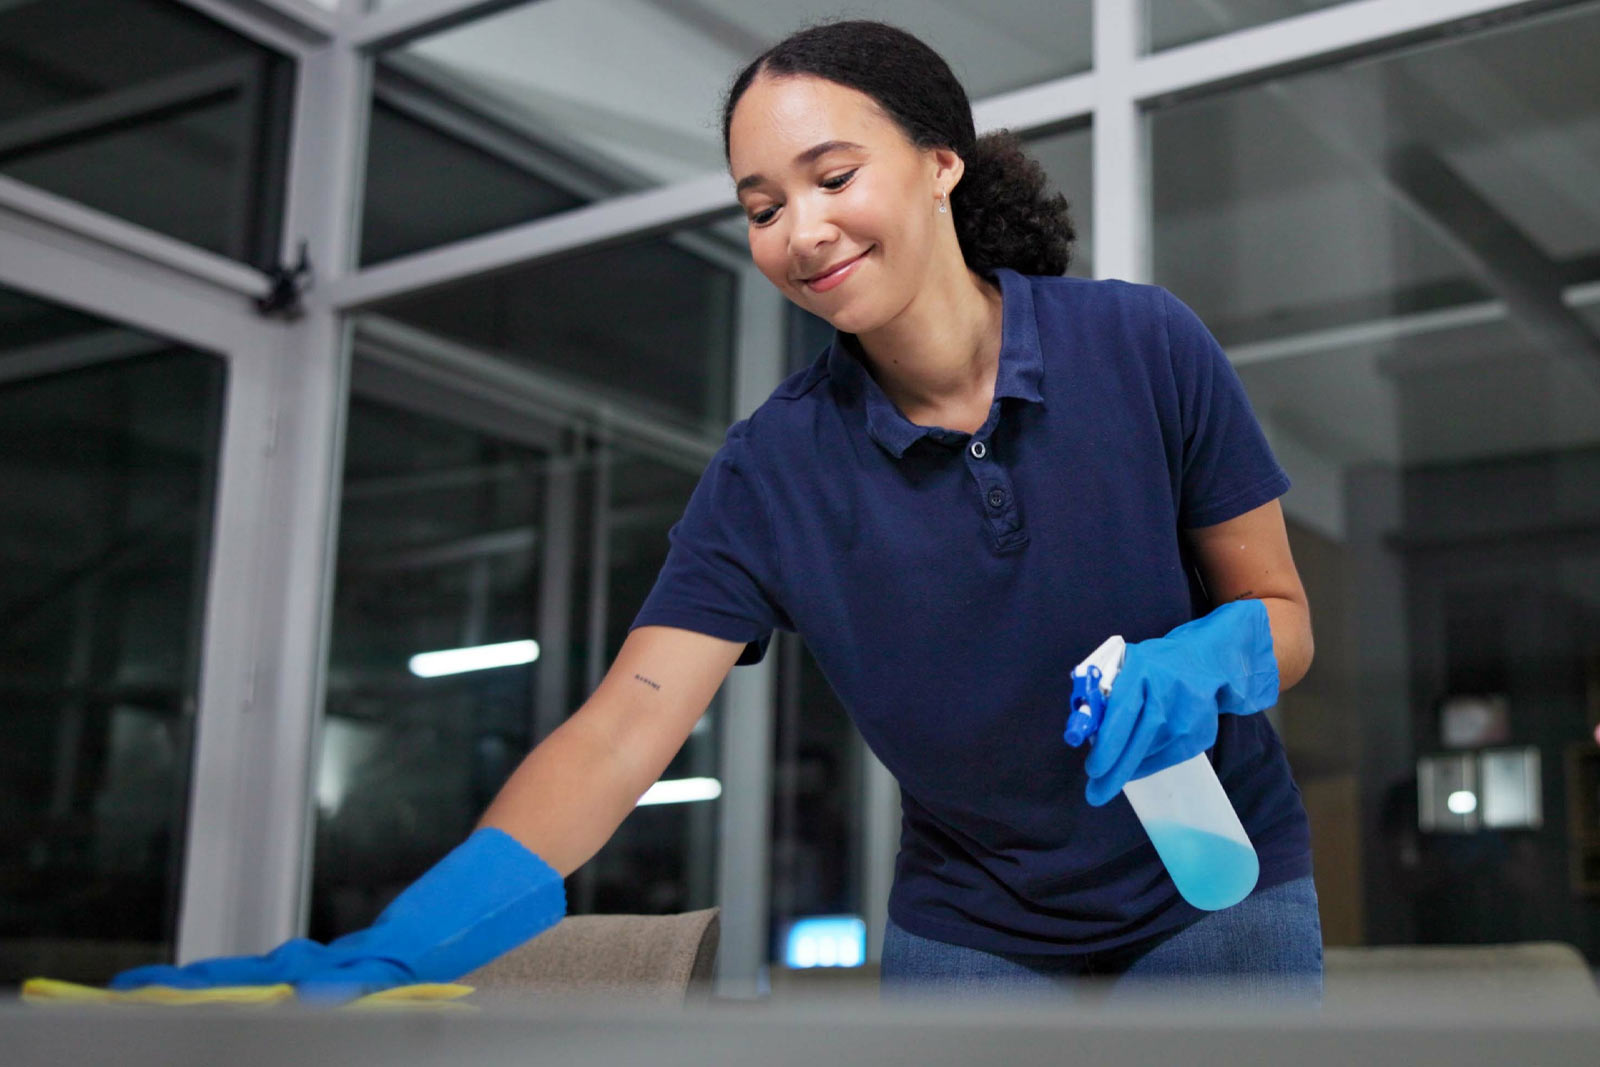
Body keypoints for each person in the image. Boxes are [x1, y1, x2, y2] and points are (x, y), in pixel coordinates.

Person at [106, 19, 1319, 1003]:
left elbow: (1279, 611)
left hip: (1215, 884)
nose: (802, 231)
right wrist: (435, 919)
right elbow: (626, 725)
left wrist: (1212, 656)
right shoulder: (772, 468)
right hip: (976, 923)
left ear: (941, 161)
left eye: (832, 177)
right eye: (759, 206)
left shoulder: (1140, 345)